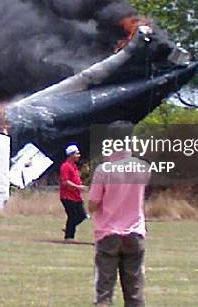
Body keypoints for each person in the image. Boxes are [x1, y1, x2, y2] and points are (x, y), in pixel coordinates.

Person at [88, 122, 150, 307]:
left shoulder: (103, 170)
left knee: (104, 292)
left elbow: (92, 204)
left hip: (108, 234)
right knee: (134, 291)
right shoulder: (143, 168)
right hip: (135, 233)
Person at [59, 143, 88, 241]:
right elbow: (65, 181)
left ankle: (68, 229)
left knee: (82, 215)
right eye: (77, 154)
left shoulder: (74, 166)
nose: (78, 156)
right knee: (72, 216)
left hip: (76, 196)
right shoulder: (65, 166)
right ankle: (69, 236)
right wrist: (78, 186)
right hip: (67, 196)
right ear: (71, 155)